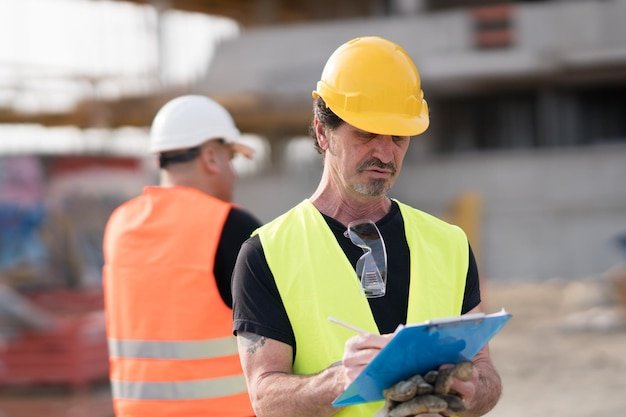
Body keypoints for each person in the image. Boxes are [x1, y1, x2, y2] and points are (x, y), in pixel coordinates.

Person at [231, 36, 502, 417]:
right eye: (366, 134)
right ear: (323, 132)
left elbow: (487, 374)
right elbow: (265, 399)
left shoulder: (449, 244)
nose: (385, 153)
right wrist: (342, 380)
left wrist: (472, 390)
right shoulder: (267, 254)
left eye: (397, 137)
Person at [103, 95, 261, 417]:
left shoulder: (119, 226)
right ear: (210, 157)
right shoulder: (230, 225)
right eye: (231, 158)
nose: (234, 172)